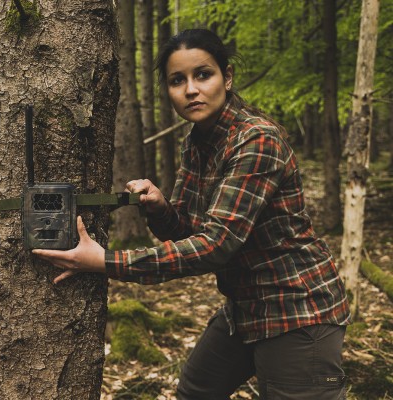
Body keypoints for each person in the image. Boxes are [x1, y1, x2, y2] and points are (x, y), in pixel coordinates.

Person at [33, 28, 351, 399]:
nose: (190, 90)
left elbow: (215, 244)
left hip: (298, 309)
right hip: (245, 307)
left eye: (203, 74)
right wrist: (161, 208)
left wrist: (107, 262)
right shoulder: (198, 140)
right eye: (176, 80)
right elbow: (186, 232)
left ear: (227, 77)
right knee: (197, 390)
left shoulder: (257, 140)